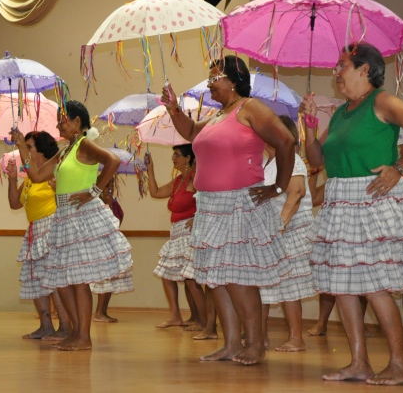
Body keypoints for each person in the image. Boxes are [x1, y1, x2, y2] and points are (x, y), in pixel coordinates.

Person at [160, 55, 295, 365]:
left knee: (239, 277)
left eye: (214, 77)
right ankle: (232, 343)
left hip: (239, 204)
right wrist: (173, 107)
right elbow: (191, 133)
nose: (209, 83)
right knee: (216, 276)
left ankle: (255, 343)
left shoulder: (250, 108)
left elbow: (286, 141)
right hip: (209, 206)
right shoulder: (219, 114)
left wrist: (278, 187)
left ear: (233, 80)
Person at [300, 42, 403, 384]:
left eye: (341, 65)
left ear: (365, 69)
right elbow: (318, 160)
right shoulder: (341, 112)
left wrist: (399, 168)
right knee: (344, 286)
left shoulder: (381, 100)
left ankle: (400, 365)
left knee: (375, 285)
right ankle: (358, 362)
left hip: (372, 196)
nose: (336, 72)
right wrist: (307, 125)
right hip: (340, 199)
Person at [10, 100, 133, 351]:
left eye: (62, 119)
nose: (58, 124)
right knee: (63, 279)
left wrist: (94, 191)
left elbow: (112, 161)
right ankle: (76, 332)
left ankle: (84, 337)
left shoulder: (84, 143)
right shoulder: (66, 150)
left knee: (78, 280)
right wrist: (23, 148)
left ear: (77, 122)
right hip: (64, 216)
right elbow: (36, 175)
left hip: (80, 214)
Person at [6, 131, 72, 340]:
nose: (25, 150)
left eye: (29, 147)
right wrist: (13, 179)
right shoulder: (31, 177)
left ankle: (65, 327)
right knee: (36, 280)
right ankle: (45, 326)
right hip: (34, 230)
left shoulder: (52, 172)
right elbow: (15, 203)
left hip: (51, 227)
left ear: (41, 150)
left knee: (54, 279)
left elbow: (67, 199)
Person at [146, 145, 216, 339]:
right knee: (170, 274)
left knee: (191, 279)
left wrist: (200, 216)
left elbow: (208, 195)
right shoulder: (179, 180)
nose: (173, 158)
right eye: (173, 155)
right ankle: (178, 315)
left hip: (190, 231)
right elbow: (156, 192)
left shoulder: (195, 176)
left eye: (177, 155)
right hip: (177, 233)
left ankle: (204, 323)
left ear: (188, 158)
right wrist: (150, 170)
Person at [259, 115, 316, 352]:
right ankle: (258, 336)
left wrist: (280, 226)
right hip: (273, 228)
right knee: (261, 285)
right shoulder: (267, 163)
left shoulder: (291, 159)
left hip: (290, 227)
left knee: (289, 285)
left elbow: (295, 194)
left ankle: (296, 338)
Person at [92, 176, 130, 323]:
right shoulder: (95, 203)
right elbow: (101, 224)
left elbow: (119, 219)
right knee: (105, 280)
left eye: (111, 185)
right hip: (101, 245)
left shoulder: (113, 203)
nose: (109, 188)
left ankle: (103, 311)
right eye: (106, 185)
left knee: (111, 279)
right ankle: (98, 312)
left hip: (112, 244)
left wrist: (111, 204)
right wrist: (106, 206)